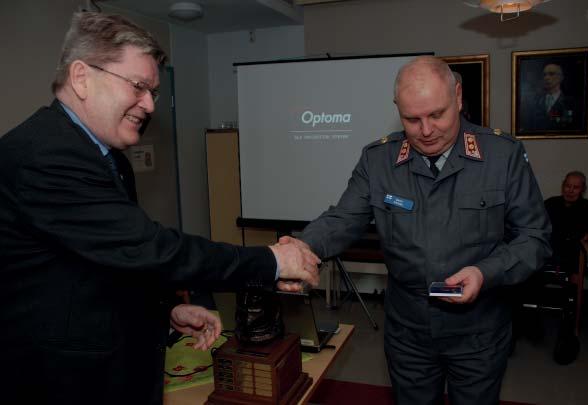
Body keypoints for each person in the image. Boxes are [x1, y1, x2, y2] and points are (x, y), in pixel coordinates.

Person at [0, 12, 319, 405]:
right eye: (138, 86)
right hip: (68, 383)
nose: (150, 104)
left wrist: (166, 309)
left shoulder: (104, 153)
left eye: (152, 91)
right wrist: (270, 261)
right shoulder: (45, 155)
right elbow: (149, 247)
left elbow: (112, 257)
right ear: (81, 77)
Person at [281, 56, 551, 405]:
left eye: (437, 114)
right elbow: (343, 219)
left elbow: (536, 237)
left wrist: (485, 273)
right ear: (398, 110)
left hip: (479, 332)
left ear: (458, 96)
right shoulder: (378, 160)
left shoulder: (503, 155)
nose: (426, 131)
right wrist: (302, 248)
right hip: (408, 333)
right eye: (412, 119)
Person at [545, 171, 588, 268]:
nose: (570, 190)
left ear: (582, 189)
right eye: (567, 186)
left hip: (575, 257)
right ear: (563, 186)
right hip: (548, 252)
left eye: (575, 187)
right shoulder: (550, 203)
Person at [527, 62, 578, 130]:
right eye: (544, 75)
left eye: (551, 74)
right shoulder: (535, 102)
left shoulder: (570, 102)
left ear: (561, 78)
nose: (546, 78)